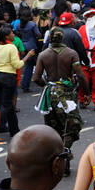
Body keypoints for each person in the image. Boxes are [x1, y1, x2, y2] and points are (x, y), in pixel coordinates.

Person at [32, 27, 88, 170]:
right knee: (71, 126)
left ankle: (58, 160)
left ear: (50, 39)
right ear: (62, 38)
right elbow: (80, 75)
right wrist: (87, 93)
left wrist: (50, 85)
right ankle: (65, 152)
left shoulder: (43, 55)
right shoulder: (71, 53)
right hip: (66, 95)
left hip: (50, 95)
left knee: (53, 128)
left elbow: (36, 78)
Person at [0, 25, 23, 136]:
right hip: (8, 77)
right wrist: (27, 58)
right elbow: (16, 65)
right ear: (6, 36)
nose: (14, 34)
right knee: (7, 104)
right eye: (12, 33)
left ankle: (14, 130)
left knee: (9, 106)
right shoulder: (11, 47)